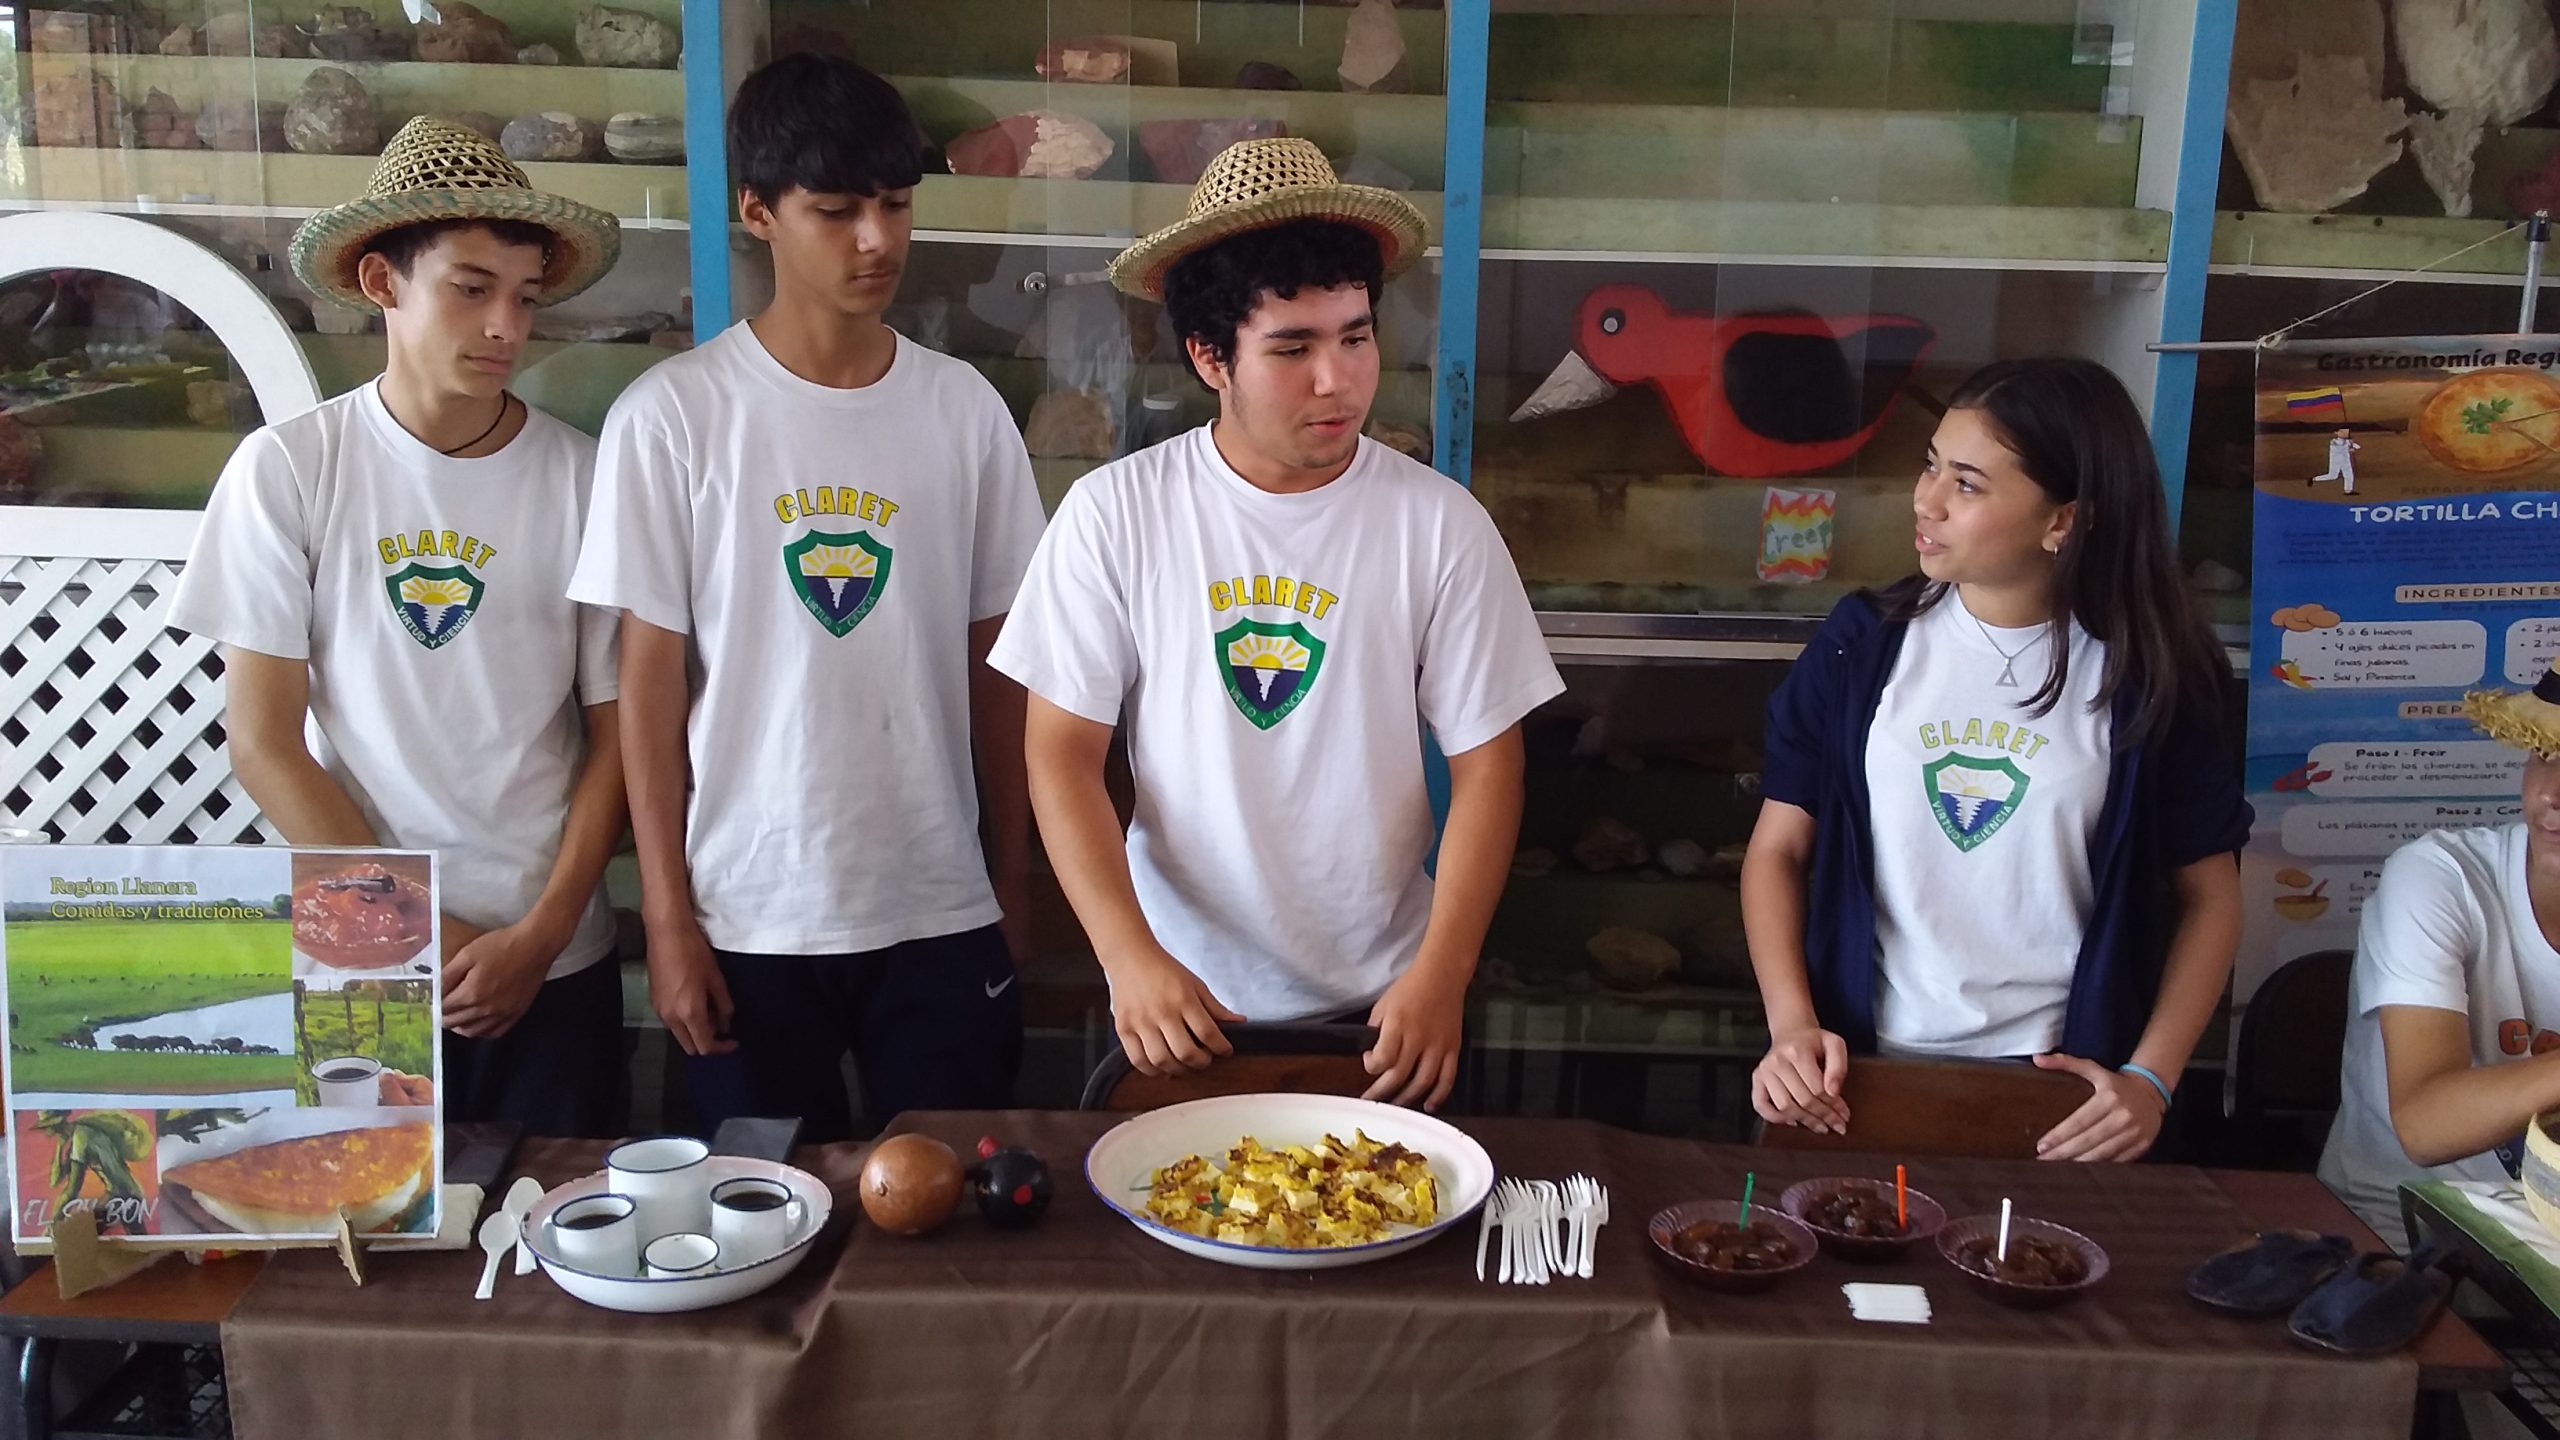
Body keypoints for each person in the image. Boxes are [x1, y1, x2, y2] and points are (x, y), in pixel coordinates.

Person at [988, 139, 1563, 1111]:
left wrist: (1443, 972)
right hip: (1183, 997)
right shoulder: (1116, 514)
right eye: (1293, 349)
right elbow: (1060, 753)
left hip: (1386, 1002)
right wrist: (1128, 955)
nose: (1337, 380)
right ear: (1210, 357)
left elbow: (1488, 764)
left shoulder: (1437, 524)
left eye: (1355, 337)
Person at [567, 55, 1046, 1142]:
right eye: (835, 212)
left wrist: (1009, 884)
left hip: (938, 903)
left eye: (895, 205)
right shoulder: (674, 418)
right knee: (757, 1211)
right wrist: (667, 920)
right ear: (757, 212)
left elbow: (1000, 664)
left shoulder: (963, 410)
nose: (876, 240)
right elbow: (647, 687)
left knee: (950, 1206)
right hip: (748, 915)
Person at [169, 118, 631, 1135]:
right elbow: (264, 743)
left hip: (553, 957)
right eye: (471, 289)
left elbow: (619, 735)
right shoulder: (291, 470)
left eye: (526, 296)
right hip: (363, 957)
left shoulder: (584, 477)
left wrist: (542, 935)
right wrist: (425, 933)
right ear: (382, 282)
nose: (505, 325)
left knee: (558, 1220)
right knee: (368, 1222)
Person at [1743, 356, 2249, 1161]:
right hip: (1857, 1077)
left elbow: (2211, 895)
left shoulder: (2152, 674)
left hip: (2063, 1094)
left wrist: (2150, 1079)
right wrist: (1792, 1027)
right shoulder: (1861, 645)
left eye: (1968, 484)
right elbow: (1777, 849)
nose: (1927, 500)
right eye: (1931, 464)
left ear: (2064, 521)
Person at [2318, 664, 2560, 1235]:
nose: (2552, 794)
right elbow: (2424, 1125)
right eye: (2544, 754)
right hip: (2403, 1235)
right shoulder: (2441, 876)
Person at [2311, 427, 2360, 495]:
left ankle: (2348, 491)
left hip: (2346, 461)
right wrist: (2350, 447)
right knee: (2332, 476)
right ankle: (2314, 479)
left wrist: (2352, 444)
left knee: (2349, 476)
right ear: (2336, 433)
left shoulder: (2348, 441)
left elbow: (2358, 447)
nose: (2345, 434)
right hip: (2336, 462)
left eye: (2346, 432)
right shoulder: (2334, 441)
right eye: (2342, 432)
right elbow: (2340, 448)